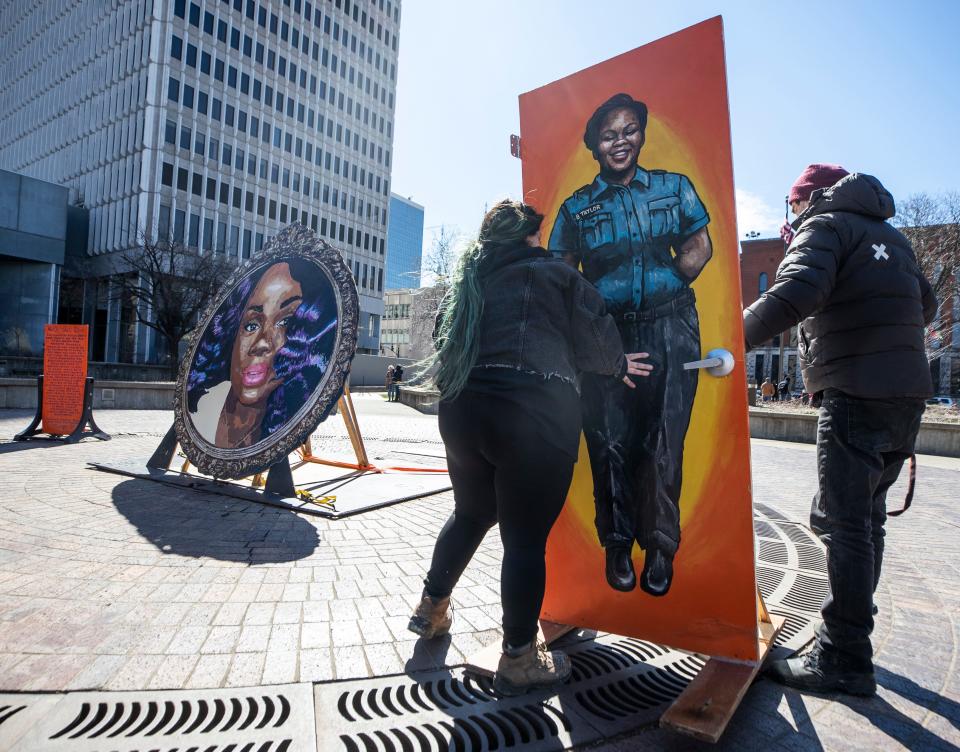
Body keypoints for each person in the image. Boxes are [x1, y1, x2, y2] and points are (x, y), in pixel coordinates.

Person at [407, 199, 653, 696]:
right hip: (532, 414)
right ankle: (519, 656)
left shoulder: (469, 280)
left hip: (462, 413)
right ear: (529, 238)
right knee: (523, 541)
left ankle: (431, 609)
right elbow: (595, 337)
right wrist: (620, 364)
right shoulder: (554, 275)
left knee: (472, 513)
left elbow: (443, 338)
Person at [744, 164, 936, 696]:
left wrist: (731, 339)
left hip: (855, 388)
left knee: (843, 522)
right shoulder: (894, 238)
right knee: (868, 519)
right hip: (907, 394)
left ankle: (845, 654)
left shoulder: (824, 225)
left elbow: (795, 293)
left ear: (807, 198)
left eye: (791, 204)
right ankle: (852, 625)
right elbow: (927, 304)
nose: (790, 216)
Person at [549, 93, 713, 597]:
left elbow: (698, 245)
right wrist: (601, 336)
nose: (620, 142)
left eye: (629, 131)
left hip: (671, 328)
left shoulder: (674, 187)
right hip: (608, 336)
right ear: (594, 146)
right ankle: (618, 544)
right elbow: (562, 279)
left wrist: (664, 287)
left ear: (641, 134)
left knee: (665, 441)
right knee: (610, 439)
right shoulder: (577, 207)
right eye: (608, 134)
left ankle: (661, 547)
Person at [187, 259, 338, 448]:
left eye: (286, 323)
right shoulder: (200, 409)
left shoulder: (287, 420)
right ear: (232, 336)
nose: (261, 343)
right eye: (251, 325)